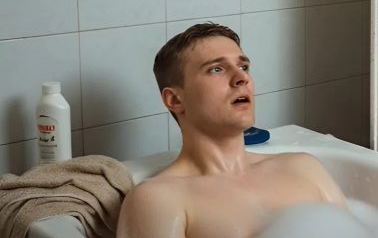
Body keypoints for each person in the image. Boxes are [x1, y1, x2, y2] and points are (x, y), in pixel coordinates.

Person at [117, 23, 348, 237]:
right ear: (175, 100)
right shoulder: (159, 199)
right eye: (216, 69)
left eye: (243, 66)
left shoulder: (303, 168)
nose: (241, 77)